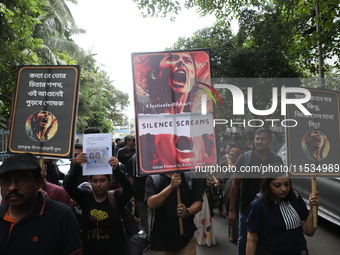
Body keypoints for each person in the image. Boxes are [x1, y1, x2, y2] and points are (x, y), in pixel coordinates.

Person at [0, 153, 82, 255]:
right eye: (5, 181)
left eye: (22, 180)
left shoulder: (61, 216)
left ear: (38, 182)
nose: (12, 187)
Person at [64, 153, 134, 255]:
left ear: (109, 181)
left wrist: (117, 170)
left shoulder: (116, 197)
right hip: (90, 250)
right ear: (90, 182)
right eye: (94, 181)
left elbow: (129, 190)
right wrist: (77, 167)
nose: (98, 185)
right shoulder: (86, 198)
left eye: (102, 180)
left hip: (115, 250)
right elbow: (69, 187)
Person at [228, 128, 283, 255]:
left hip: (270, 210)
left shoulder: (276, 160)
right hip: (246, 210)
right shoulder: (244, 159)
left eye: (263, 139)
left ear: (270, 141)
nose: (259, 141)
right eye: (257, 139)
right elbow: (235, 185)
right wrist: (232, 210)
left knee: (268, 240)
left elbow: (282, 186)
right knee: (244, 240)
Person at [246, 173, 320, 255]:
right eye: (277, 185)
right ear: (268, 185)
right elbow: (252, 240)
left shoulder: (295, 198)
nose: (284, 189)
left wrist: (314, 208)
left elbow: (309, 231)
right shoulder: (258, 205)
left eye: (287, 184)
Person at [145, 172, 203, 254]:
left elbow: (198, 203)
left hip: (187, 240)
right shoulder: (154, 179)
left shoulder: (189, 177)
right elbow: (151, 204)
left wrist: (187, 212)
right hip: (162, 241)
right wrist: (171, 187)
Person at [127, 153, 150, 251]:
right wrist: (131, 194)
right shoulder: (133, 159)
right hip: (140, 192)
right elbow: (131, 178)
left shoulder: (153, 155)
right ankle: (146, 239)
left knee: (155, 216)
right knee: (143, 217)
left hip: (154, 191)